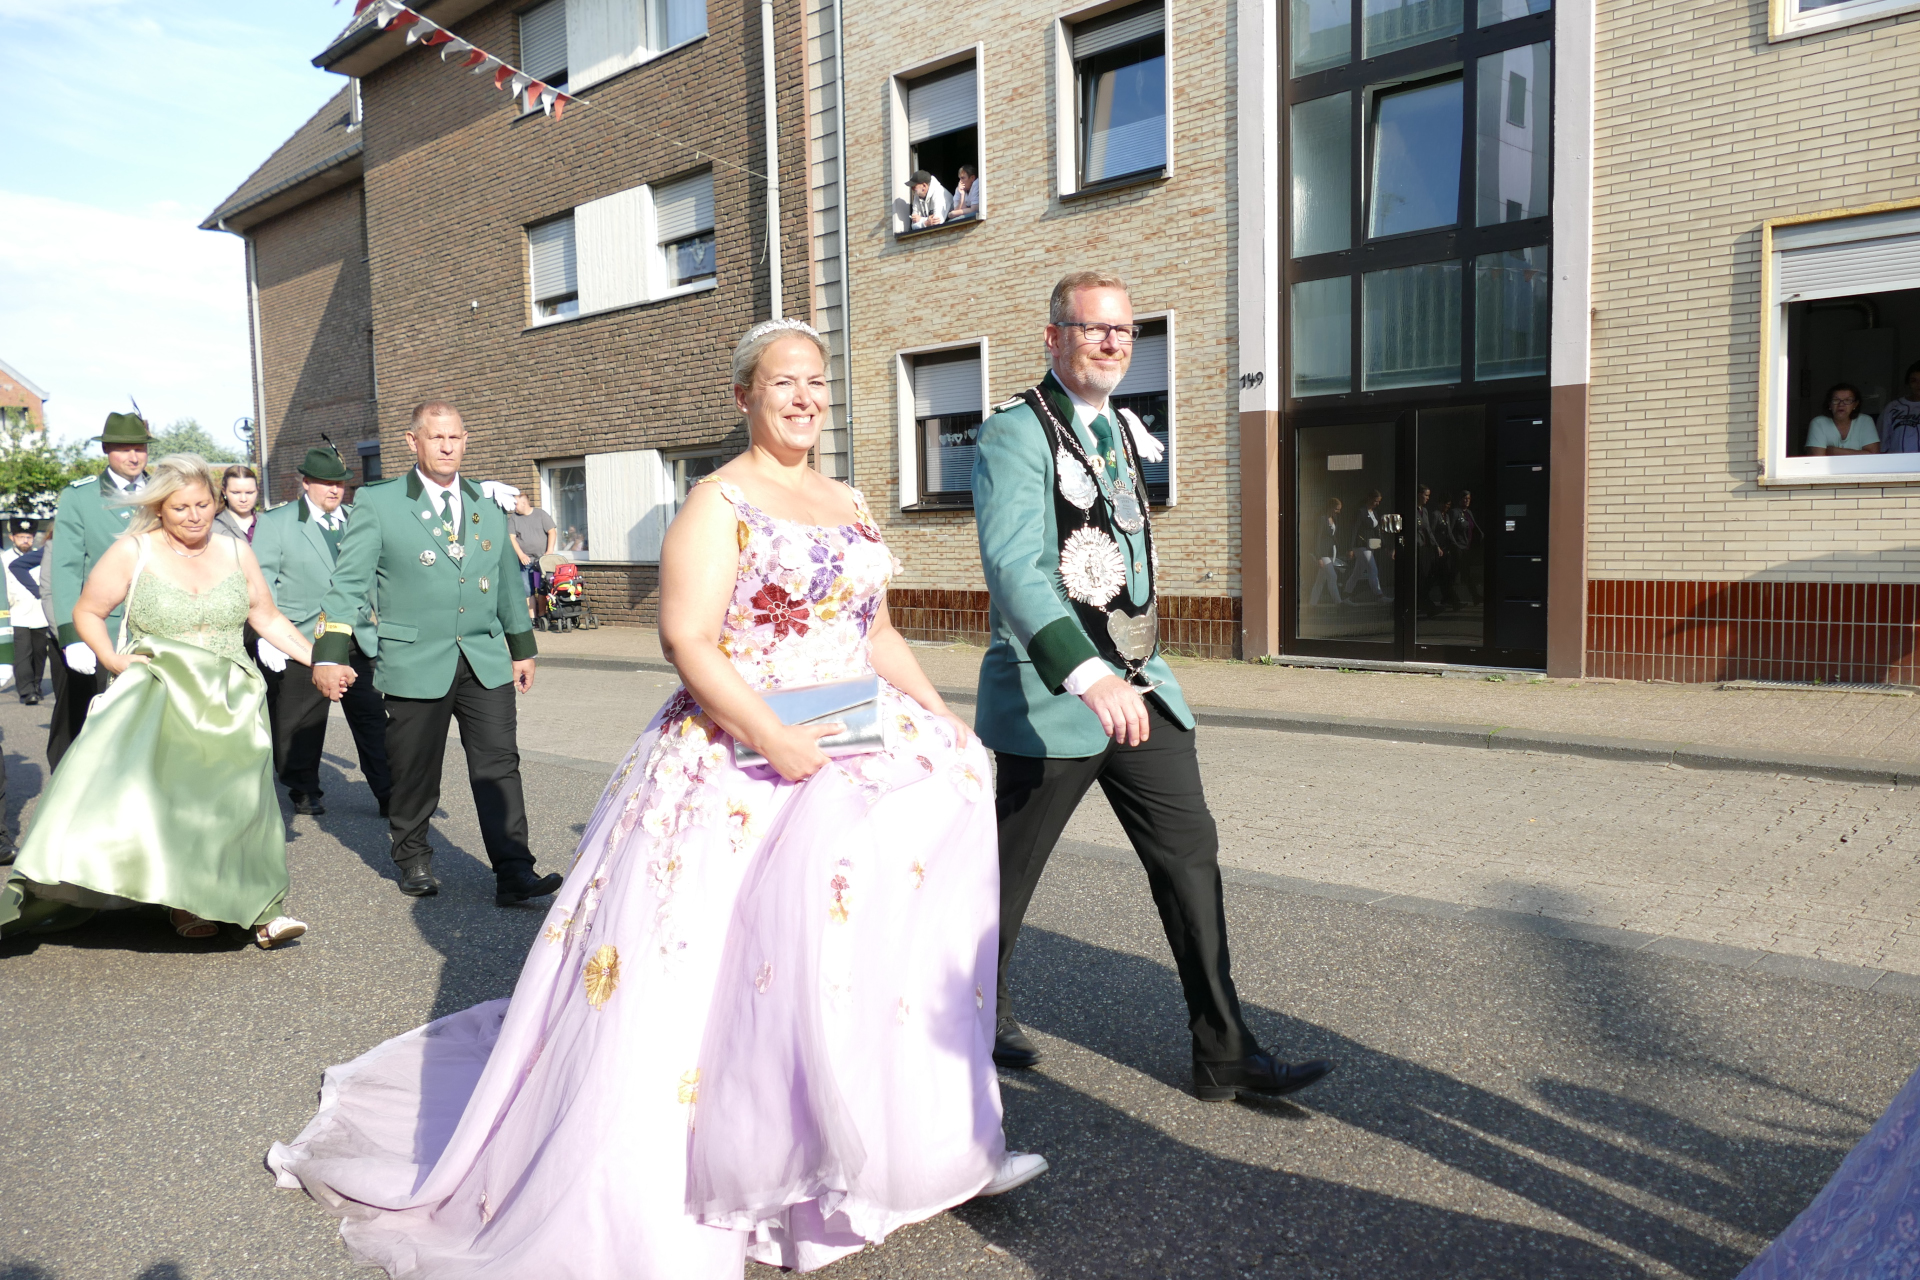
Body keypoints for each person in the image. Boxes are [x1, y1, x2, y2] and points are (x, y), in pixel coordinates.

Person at [270, 319, 1042, 1276]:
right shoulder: (717, 502)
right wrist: (770, 737)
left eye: (816, 380)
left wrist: (938, 712)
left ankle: (912, 1150)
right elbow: (688, 640)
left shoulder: (848, 499)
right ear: (745, 396)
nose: (804, 397)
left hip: (853, 736)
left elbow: (872, 630)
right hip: (741, 750)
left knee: (863, 951)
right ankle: (749, 1167)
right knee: (727, 966)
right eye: (783, 382)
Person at [973, 270, 1332, 1101]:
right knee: (1003, 878)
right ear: (1054, 337)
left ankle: (1225, 1052)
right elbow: (1016, 569)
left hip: (1143, 691)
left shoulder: (1122, 429)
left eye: (1124, 331)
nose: (1112, 343)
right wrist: (1088, 674)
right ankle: (967, 1016)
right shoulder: (1014, 432)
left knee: (1190, 859)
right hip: (1054, 697)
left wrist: (1128, 670)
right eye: (1093, 328)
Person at [0, 454, 314, 947]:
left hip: (232, 696)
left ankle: (263, 909)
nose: (194, 516)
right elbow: (87, 610)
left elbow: (266, 616)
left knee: (242, 803)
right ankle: (184, 901)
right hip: (161, 693)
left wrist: (317, 660)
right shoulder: (134, 550)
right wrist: (110, 657)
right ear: (159, 509)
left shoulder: (237, 551)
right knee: (178, 804)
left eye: (202, 504)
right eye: (180, 507)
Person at [309, 402, 560, 906]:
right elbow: (348, 584)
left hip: (483, 657)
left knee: (498, 765)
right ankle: (413, 856)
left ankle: (514, 870)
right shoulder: (380, 502)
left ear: (466, 441)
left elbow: (506, 580)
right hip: (415, 658)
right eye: (436, 437)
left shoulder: (486, 501)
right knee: (414, 767)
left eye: (455, 437)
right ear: (413, 441)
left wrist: (522, 647)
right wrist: (329, 654)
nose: (447, 447)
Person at [253, 446, 392, 819]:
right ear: (306, 483)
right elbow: (262, 580)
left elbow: (375, 576)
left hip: (355, 635)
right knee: (302, 720)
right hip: (303, 638)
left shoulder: (357, 520)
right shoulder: (277, 522)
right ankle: (303, 787)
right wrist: (268, 634)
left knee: (372, 718)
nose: (335, 490)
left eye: (340, 484)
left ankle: (388, 792)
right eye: (326, 483)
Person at [48, 410, 151, 768]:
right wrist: (72, 635)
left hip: (157, 626)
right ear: (106, 449)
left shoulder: (164, 491)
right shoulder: (81, 497)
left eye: (140, 448)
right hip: (103, 628)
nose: (134, 457)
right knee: (91, 729)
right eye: (123, 449)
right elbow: (66, 568)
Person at [5, 518, 48, 705]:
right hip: (16, 612)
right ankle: (26, 690)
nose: (25, 540)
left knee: (39, 652)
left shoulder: (41, 556)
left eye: (29, 537)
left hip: (40, 612)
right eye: (21, 537)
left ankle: (36, 685)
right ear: (12, 537)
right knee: (23, 653)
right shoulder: (4, 559)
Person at [507, 491, 557, 619]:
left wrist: (549, 551)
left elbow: (552, 531)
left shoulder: (540, 514)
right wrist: (521, 555)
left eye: (516, 504)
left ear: (524, 503)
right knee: (527, 589)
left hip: (542, 560)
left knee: (542, 588)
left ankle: (542, 615)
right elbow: (511, 538)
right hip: (525, 560)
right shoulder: (513, 518)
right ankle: (532, 618)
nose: (514, 507)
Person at [1805, 383, 1879, 455]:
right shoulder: (1819, 423)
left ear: (1855, 404)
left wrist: (1833, 451)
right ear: (1829, 404)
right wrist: (1860, 453)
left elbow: (1873, 457)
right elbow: (1818, 459)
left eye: (1847, 400)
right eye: (1836, 400)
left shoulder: (1865, 421)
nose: (1841, 404)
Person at [1343, 489, 1387, 603]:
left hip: (1370, 545)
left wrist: (1383, 544)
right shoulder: (1361, 512)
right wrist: (1350, 548)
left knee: (1357, 573)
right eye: (1376, 501)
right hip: (1360, 545)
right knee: (1373, 569)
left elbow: (1377, 530)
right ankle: (1380, 596)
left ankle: (1345, 596)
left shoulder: (1374, 513)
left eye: (1379, 501)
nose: (1377, 503)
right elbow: (1353, 530)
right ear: (1369, 498)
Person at [1876, 362, 1920, 454]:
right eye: (1914, 381)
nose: (1918, 384)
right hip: (1897, 461)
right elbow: (1881, 438)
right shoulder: (1893, 407)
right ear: (1908, 383)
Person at [1307, 496, 1344, 605]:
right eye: (1336, 509)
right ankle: (1339, 603)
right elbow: (1317, 538)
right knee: (1332, 576)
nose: (1338, 511)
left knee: (1320, 580)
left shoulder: (1334, 519)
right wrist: (1318, 557)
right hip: (1322, 553)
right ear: (1331, 507)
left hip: (1330, 552)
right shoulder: (1322, 519)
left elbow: (1332, 536)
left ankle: (1312, 604)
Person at [1449, 489, 1483, 606]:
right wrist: (1454, 545)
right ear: (1459, 500)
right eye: (1464, 498)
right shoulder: (1455, 512)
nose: (1467, 500)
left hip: (1466, 548)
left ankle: (1472, 597)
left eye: (1468, 498)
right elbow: (1450, 530)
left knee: (1461, 573)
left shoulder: (1469, 513)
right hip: (1458, 547)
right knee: (1460, 573)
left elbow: (1475, 528)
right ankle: (1473, 596)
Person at [214, 465, 261, 541]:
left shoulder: (270, 523)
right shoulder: (213, 527)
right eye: (236, 493)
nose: (243, 499)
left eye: (249, 492)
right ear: (224, 491)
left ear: (257, 491)